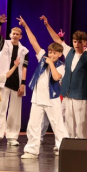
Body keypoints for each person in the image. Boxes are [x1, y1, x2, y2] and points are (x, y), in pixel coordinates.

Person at [17, 16, 69, 159]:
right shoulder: (42, 58)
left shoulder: (61, 66)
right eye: (50, 52)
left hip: (52, 99)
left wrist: (51, 63)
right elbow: (34, 42)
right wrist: (25, 26)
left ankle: (63, 148)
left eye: (54, 53)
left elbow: (56, 77)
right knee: (33, 125)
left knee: (58, 125)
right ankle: (31, 150)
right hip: (37, 98)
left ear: (60, 54)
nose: (51, 55)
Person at [43, 16, 87, 139]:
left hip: (80, 95)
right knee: (68, 122)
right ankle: (69, 143)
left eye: (79, 42)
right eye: (75, 42)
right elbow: (57, 39)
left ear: (84, 43)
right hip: (67, 94)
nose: (77, 44)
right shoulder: (68, 51)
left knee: (82, 123)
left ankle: (84, 144)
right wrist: (47, 25)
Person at [0, 14, 29, 147]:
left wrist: (23, 84)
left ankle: (12, 136)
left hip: (16, 82)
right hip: (3, 81)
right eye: (13, 33)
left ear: (20, 36)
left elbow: (24, 68)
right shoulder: (4, 44)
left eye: (17, 34)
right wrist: (0, 24)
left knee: (15, 111)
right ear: (10, 34)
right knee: (0, 109)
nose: (15, 35)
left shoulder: (24, 50)